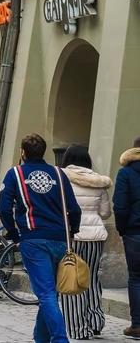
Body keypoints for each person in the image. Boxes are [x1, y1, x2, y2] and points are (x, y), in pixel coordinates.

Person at [0, 133, 82, 343]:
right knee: (50, 294)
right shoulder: (58, 173)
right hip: (60, 239)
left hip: (34, 239)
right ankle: (40, 338)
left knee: (45, 294)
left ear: (23, 152)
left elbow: (4, 208)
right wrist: (71, 232)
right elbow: (74, 209)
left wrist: (13, 233)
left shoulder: (15, 174)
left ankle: (60, 339)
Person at [60, 145, 112, 339]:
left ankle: (78, 328)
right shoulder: (98, 181)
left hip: (72, 236)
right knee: (91, 278)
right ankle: (95, 321)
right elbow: (106, 212)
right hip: (96, 237)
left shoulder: (62, 178)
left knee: (72, 278)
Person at [114, 138, 140, 340]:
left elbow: (120, 206)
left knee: (136, 277)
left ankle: (138, 325)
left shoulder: (126, 173)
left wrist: (122, 229)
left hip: (135, 231)